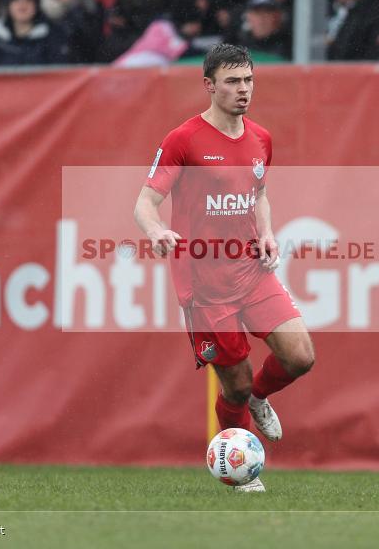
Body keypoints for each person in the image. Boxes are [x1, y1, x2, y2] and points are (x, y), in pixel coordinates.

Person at [133, 43, 315, 493]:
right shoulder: (184, 140)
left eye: (248, 80)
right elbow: (145, 202)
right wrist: (155, 230)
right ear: (210, 86)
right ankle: (240, 472)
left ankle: (260, 397)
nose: (243, 89)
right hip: (205, 287)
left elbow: (259, 193)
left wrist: (267, 232)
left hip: (252, 270)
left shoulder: (260, 138)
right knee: (233, 387)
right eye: (232, 81)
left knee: (300, 357)